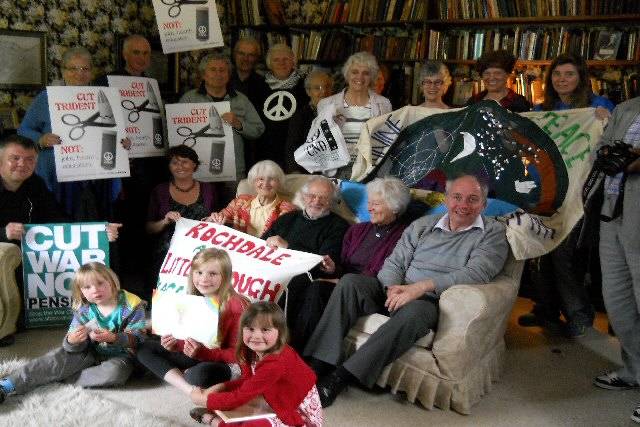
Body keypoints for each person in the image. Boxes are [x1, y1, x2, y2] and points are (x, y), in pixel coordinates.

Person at [304, 175, 510, 408]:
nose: (463, 205)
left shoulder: (493, 233)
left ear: (483, 204)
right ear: (446, 199)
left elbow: (475, 273)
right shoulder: (424, 225)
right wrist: (392, 289)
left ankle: (340, 378)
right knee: (350, 282)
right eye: (457, 197)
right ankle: (318, 364)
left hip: (430, 300)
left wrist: (419, 288)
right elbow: (395, 262)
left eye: (473, 199)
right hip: (395, 289)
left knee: (415, 312)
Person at [519, 53, 615, 337]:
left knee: (564, 254)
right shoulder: (542, 109)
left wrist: (606, 121)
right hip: (545, 192)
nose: (562, 79)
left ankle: (579, 314)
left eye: (569, 74)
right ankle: (546, 309)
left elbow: (613, 141)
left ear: (581, 77)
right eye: (557, 75)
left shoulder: (598, 106)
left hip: (578, 193)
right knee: (538, 252)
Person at [0, 134, 122, 346]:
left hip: (31, 251)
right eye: (15, 158)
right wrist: (3, 233)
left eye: (30, 159)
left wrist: (97, 231)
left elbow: (58, 219)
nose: (23, 164)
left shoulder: (35, 184)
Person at [285, 177, 413, 352]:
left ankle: (298, 352)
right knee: (305, 283)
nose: (369, 208)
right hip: (345, 282)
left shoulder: (404, 235)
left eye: (376, 204)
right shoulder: (357, 230)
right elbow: (343, 264)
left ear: (394, 206)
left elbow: (383, 270)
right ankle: (287, 345)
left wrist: (340, 281)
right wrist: (332, 269)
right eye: (369, 203)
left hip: (369, 289)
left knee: (317, 289)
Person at [0, 262, 146, 404]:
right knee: (55, 358)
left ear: (113, 282)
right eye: (87, 287)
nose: (95, 290)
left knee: (116, 372)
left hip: (121, 355)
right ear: (81, 291)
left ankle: (58, 377)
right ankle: (7, 385)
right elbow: (70, 345)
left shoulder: (131, 305)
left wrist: (115, 338)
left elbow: (138, 339)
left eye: (100, 283)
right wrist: (72, 341)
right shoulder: (84, 309)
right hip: (89, 352)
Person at [17, 47, 126, 221]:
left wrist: (123, 143)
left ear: (92, 72)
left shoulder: (105, 97)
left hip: (99, 176)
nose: (79, 74)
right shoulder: (46, 98)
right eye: (73, 68)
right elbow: (23, 130)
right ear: (63, 71)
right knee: (61, 223)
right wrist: (41, 140)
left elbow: (116, 132)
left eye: (85, 69)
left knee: (99, 224)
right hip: (60, 177)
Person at [189, 301, 323, 427]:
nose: (256, 336)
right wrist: (222, 386)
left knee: (250, 423)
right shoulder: (249, 351)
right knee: (240, 410)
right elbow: (248, 382)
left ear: (280, 333)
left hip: (294, 412)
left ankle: (214, 421)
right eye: (250, 329)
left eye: (265, 330)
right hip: (273, 397)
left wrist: (203, 400)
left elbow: (239, 397)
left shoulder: (275, 363)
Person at [589, 96, 640, 424]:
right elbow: (603, 149)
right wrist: (615, 156)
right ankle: (634, 370)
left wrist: (627, 159)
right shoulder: (627, 107)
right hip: (611, 211)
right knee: (617, 300)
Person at [137, 248, 249, 395]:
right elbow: (187, 341)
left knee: (199, 375)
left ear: (226, 276)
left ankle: (183, 375)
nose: (204, 279)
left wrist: (203, 353)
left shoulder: (237, 306)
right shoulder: (192, 301)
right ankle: (188, 389)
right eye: (199, 272)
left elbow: (240, 355)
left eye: (213, 274)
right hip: (198, 355)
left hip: (225, 362)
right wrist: (174, 345)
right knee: (145, 348)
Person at [261, 175, 349, 351]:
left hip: (304, 277)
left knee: (291, 284)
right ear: (303, 197)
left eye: (323, 198)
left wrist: (288, 247)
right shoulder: (288, 218)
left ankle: (284, 347)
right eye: (312, 196)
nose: (316, 201)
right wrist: (267, 241)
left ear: (331, 201)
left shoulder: (338, 226)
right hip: (271, 268)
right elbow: (261, 243)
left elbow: (322, 264)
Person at [180, 52, 265, 204]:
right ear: (204, 74)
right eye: (213, 70)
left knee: (233, 214)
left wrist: (239, 124)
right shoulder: (189, 99)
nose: (218, 74)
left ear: (228, 75)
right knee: (201, 212)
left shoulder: (241, 99)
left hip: (233, 171)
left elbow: (258, 129)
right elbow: (176, 133)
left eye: (222, 70)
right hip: (198, 169)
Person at [146, 145, 217, 294]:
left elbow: (221, 218)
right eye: (174, 162)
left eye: (184, 161)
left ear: (194, 165)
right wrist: (164, 221)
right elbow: (149, 228)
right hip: (168, 255)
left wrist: (215, 219)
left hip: (202, 252)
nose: (179, 166)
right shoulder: (160, 191)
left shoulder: (208, 189)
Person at [317, 51, 392, 179]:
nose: (360, 77)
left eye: (366, 73)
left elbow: (386, 141)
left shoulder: (384, 104)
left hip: (370, 171)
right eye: (355, 72)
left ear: (372, 76)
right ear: (347, 74)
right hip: (336, 171)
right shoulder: (326, 104)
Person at [205, 160, 296, 237]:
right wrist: (213, 219)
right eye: (261, 179)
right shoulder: (240, 201)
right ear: (253, 182)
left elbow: (290, 239)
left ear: (279, 183)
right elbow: (221, 216)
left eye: (272, 179)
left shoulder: (287, 209)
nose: (265, 183)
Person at [254, 43, 310, 169]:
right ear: (269, 64)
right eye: (276, 60)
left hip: (298, 146)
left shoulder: (305, 84)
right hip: (266, 147)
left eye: (285, 59)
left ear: (293, 62)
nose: (281, 63)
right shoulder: (259, 86)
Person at [285, 70, 334, 173]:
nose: (323, 92)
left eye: (327, 87)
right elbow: (292, 148)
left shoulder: (337, 112)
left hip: (334, 170)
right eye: (317, 88)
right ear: (308, 92)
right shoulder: (300, 116)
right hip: (307, 172)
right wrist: (295, 172)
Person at [465, 50, 531, 112]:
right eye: (487, 73)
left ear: (508, 75)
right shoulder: (473, 101)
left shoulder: (519, 103)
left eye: (497, 73)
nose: (491, 77)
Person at [230, 37, 269, 113]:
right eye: (241, 53)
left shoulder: (264, 85)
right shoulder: (221, 80)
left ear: (256, 58)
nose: (245, 59)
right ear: (235, 55)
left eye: (251, 55)